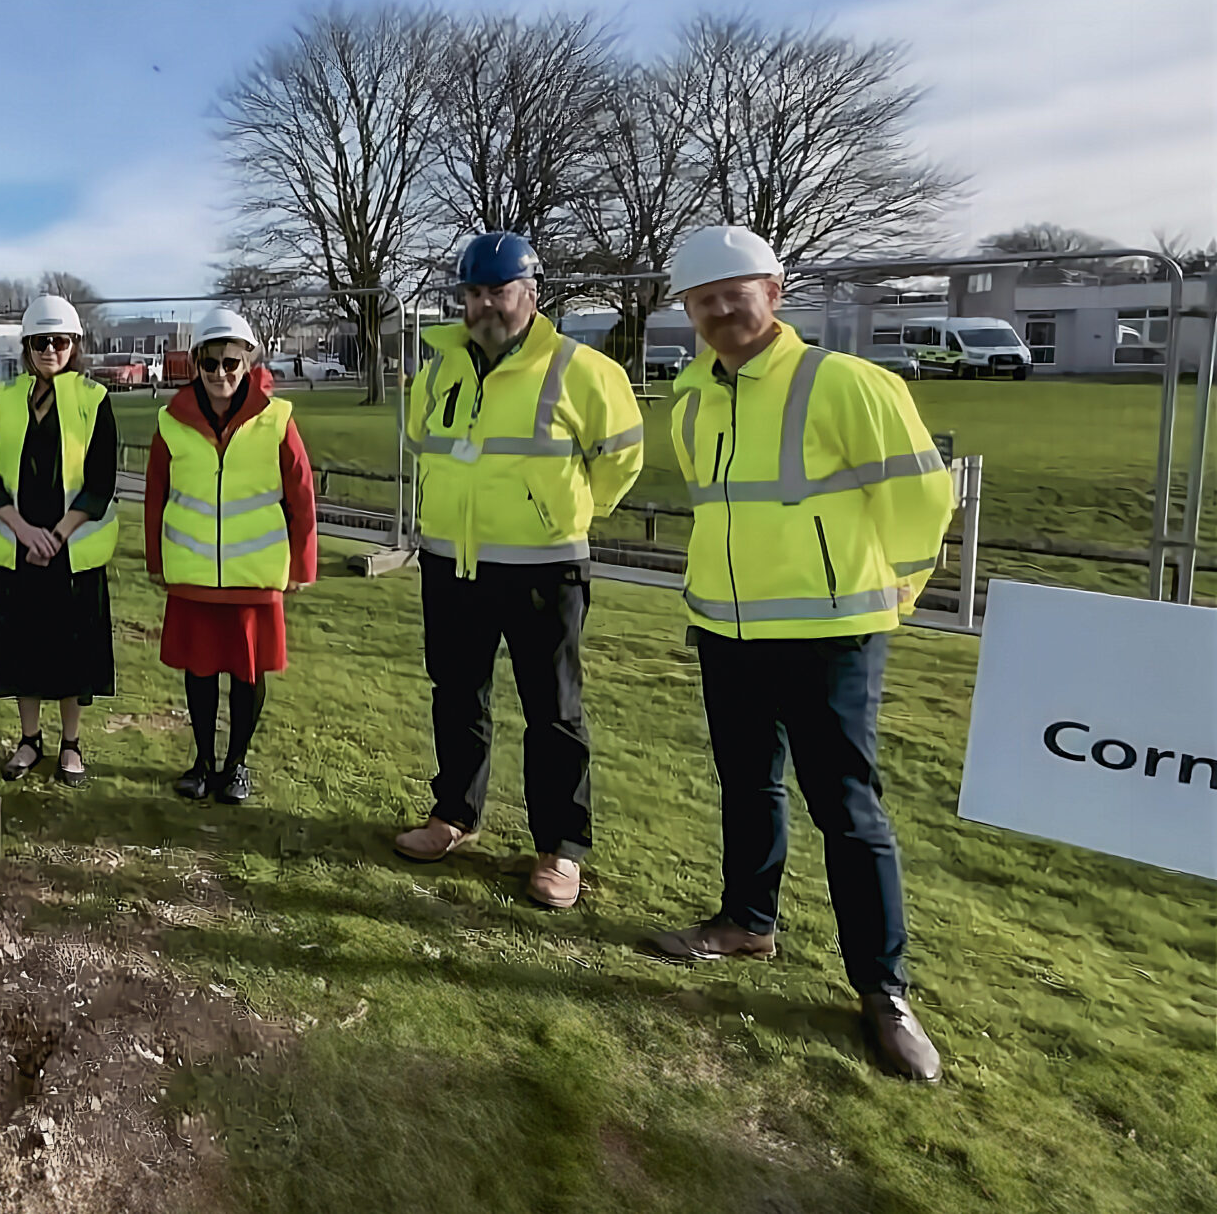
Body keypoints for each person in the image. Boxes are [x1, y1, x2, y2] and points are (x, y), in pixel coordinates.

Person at [642, 225, 954, 1083]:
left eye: (733, 293)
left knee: (848, 811)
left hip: (829, 635)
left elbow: (924, 499)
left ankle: (883, 992)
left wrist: (890, 598)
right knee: (747, 784)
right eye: (701, 300)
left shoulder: (846, 384)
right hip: (728, 632)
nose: (718, 310)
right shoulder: (693, 397)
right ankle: (746, 921)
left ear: (774, 292)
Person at [393, 233, 645, 910]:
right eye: (472, 293)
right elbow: (425, 445)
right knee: (456, 692)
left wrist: (560, 513)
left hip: (543, 568)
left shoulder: (582, 370)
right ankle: (455, 816)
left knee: (553, 711)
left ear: (530, 294)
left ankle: (561, 850)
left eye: (497, 292)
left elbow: (620, 459)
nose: (483, 307)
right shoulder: (439, 369)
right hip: (452, 563)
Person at [144, 309, 319, 804]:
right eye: (211, 364)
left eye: (231, 364)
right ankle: (201, 762)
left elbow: (301, 496)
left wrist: (303, 565)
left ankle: (236, 764)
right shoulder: (171, 421)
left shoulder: (277, 419)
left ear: (249, 362)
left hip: (254, 575)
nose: (221, 375)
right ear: (195, 363)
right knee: (198, 672)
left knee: (247, 674)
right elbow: (155, 493)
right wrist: (156, 561)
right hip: (193, 572)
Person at [0, 295, 120, 785]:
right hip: (20, 548)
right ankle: (29, 740)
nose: (50, 350)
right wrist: (24, 532)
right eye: (40, 342)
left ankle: (72, 744)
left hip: (70, 550)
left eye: (59, 341)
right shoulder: (3, 401)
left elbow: (101, 481)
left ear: (74, 345)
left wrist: (56, 536)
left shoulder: (94, 401)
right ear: (26, 346)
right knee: (23, 648)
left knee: (71, 654)